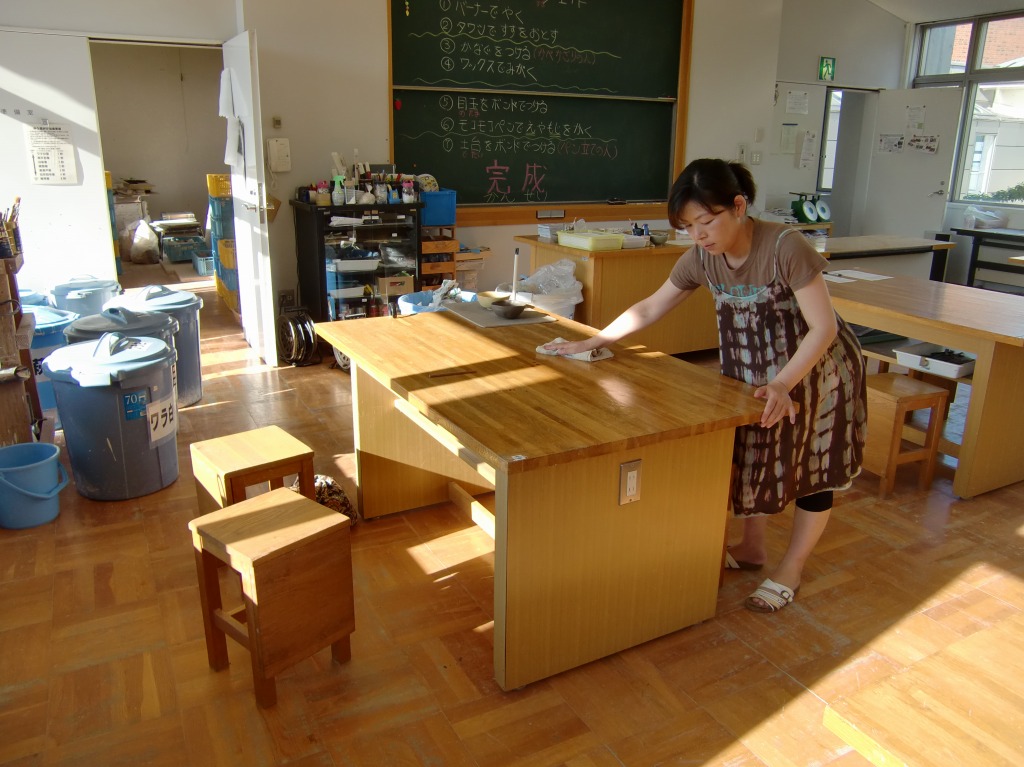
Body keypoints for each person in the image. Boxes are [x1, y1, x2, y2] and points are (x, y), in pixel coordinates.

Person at [544, 158, 867, 613]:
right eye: (688, 226)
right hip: (753, 375)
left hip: (816, 373)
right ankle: (752, 548)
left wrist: (782, 383)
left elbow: (823, 327)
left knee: (810, 469)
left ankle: (792, 567)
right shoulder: (702, 258)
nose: (699, 235)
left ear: (738, 206)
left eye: (707, 221)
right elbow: (651, 306)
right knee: (753, 455)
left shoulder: (785, 247)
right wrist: (592, 341)